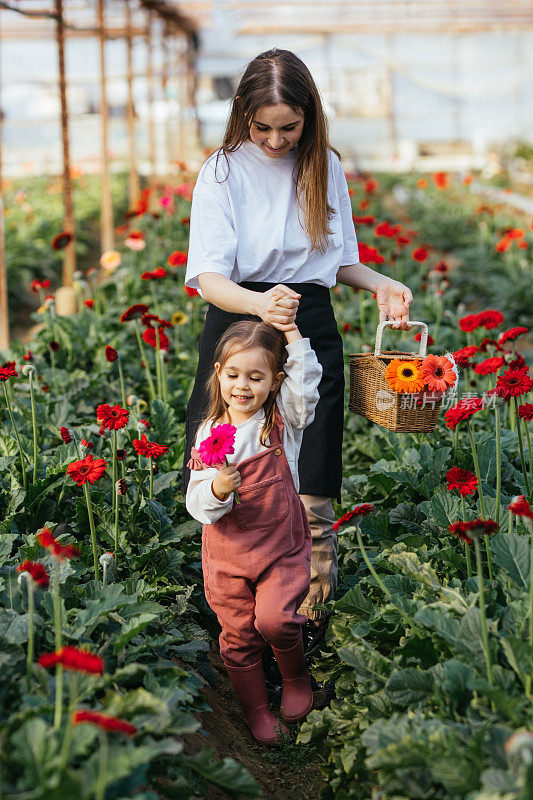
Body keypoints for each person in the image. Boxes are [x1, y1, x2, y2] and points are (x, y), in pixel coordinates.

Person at [181, 47, 413, 670]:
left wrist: (382, 284)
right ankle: (233, 609)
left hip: (308, 318)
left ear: (310, 118)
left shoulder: (324, 166)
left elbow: (335, 262)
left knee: (311, 457)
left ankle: (302, 609)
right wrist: (261, 307)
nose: (278, 140)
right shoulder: (222, 173)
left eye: (291, 127)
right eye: (264, 128)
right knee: (232, 450)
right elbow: (208, 277)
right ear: (243, 119)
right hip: (238, 321)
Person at [186, 319, 323, 744]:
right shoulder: (211, 435)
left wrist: (294, 334)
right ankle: (256, 709)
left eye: (256, 376)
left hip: (279, 545)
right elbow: (197, 505)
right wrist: (217, 487)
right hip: (228, 553)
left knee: (277, 619)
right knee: (240, 634)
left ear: (275, 381)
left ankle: (296, 679)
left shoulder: (282, 419)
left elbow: (307, 385)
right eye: (233, 375)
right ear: (218, 374)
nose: (242, 386)